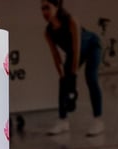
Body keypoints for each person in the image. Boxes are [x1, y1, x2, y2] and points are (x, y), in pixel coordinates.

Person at [42, 0, 104, 136]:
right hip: (74, 52)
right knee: (63, 82)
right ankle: (63, 121)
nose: (44, 12)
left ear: (57, 7)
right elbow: (57, 58)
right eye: (42, 9)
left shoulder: (71, 21)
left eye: (47, 7)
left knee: (91, 78)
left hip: (91, 46)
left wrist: (73, 81)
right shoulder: (48, 32)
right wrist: (64, 79)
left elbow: (76, 50)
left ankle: (98, 121)